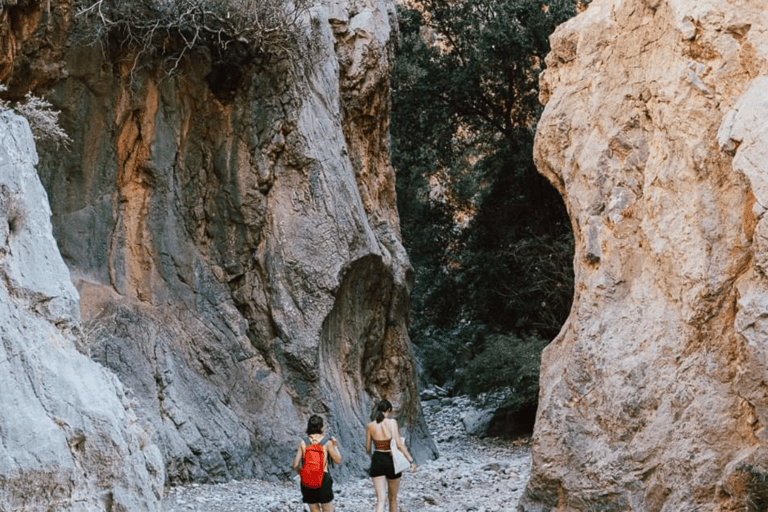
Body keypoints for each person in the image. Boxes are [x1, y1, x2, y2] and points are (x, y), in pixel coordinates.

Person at [365, 399, 417, 512]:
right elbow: (399, 445)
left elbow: (368, 448)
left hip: (377, 458)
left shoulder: (370, 426)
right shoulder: (392, 423)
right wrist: (411, 461)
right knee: (392, 499)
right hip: (391, 460)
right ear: (388, 410)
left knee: (380, 500)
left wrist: (372, 459)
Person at [293, 415, 342, 512]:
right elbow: (338, 460)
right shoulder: (327, 442)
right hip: (323, 479)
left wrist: (301, 473)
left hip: (307, 480)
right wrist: (335, 446)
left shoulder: (303, 442)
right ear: (322, 427)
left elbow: (295, 464)